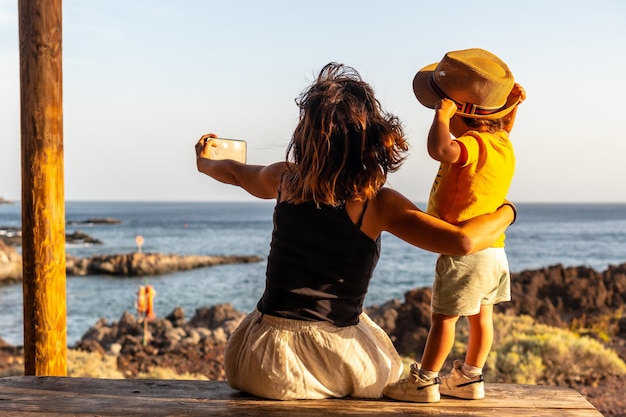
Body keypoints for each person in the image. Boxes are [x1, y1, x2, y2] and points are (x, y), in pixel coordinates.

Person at [195, 62, 516, 401]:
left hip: (259, 362)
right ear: (372, 137)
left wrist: (205, 161)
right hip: (331, 360)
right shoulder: (377, 203)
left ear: (306, 136)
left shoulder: (284, 179)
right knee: (389, 374)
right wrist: (507, 212)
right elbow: (462, 241)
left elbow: (233, 171)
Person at [383, 48, 526, 403]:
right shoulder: (502, 142)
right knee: (482, 318)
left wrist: (441, 118)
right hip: (494, 249)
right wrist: (512, 109)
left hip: (463, 252)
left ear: (463, 115)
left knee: (444, 319)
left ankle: (425, 381)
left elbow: (440, 150)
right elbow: (503, 125)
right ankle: (469, 378)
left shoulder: (473, 144)